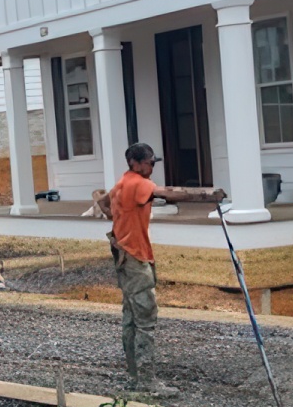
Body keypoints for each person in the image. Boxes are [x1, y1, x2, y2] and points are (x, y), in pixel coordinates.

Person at [92, 142, 222, 394]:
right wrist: (208, 195)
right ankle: (146, 382)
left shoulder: (122, 183)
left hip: (125, 255)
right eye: (150, 162)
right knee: (145, 319)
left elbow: (102, 202)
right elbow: (170, 194)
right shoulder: (138, 184)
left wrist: (119, 219)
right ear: (137, 163)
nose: (152, 166)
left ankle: (134, 376)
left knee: (130, 318)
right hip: (134, 258)